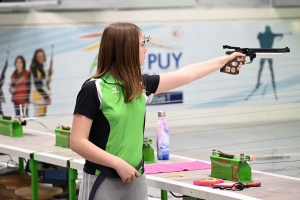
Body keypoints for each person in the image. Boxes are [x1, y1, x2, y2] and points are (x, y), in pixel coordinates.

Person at [70, 22, 245, 200]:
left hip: (136, 179)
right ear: (126, 49)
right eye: (142, 43)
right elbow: (77, 141)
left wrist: (225, 60)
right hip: (102, 180)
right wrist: (117, 164)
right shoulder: (93, 89)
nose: (145, 49)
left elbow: (186, 74)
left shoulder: (140, 85)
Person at [30, 49, 51, 116]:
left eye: (42, 56)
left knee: (41, 115)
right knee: (39, 116)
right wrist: (46, 96)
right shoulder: (36, 68)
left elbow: (42, 82)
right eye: (38, 56)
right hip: (39, 95)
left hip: (40, 95)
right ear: (35, 58)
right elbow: (37, 84)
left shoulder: (40, 67)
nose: (40, 58)